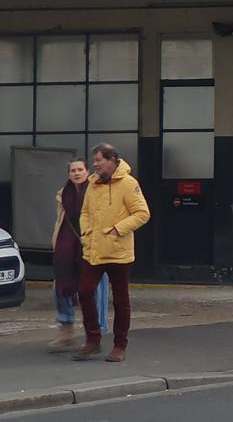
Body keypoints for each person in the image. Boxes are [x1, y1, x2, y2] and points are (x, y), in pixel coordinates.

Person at [75, 143, 149, 363]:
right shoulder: (93, 184)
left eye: (98, 160)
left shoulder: (128, 183)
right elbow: (85, 212)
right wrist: (86, 232)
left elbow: (142, 213)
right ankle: (93, 340)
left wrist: (118, 229)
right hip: (94, 250)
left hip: (118, 251)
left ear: (112, 160)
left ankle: (120, 345)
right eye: (94, 161)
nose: (95, 165)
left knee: (120, 300)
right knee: (84, 291)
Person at [48, 158, 108, 352]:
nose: (76, 173)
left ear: (87, 171)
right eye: (73, 170)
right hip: (67, 246)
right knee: (61, 285)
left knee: (95, 287)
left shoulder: (98, 189)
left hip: (93, 245)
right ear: (69, 174)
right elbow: (61, 220)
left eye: (80, 169)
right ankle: (66, 329)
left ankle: (95, 332)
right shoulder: (62, 193)